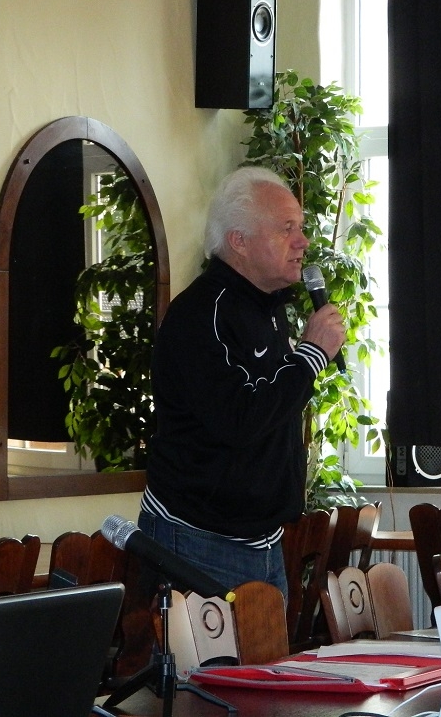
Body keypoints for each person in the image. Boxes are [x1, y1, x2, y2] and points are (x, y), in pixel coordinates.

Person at [137, 166, 345, 599]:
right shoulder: (201, 314)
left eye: (301, 227)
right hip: (197, 540)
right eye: (287, 228)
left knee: (267, 650)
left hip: (263, 542)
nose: (303, 241)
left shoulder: (268, 308)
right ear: (239, 241)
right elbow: (239, 419)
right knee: (207, 652)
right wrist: (310, 355)